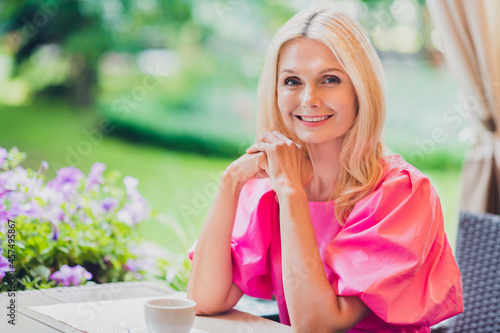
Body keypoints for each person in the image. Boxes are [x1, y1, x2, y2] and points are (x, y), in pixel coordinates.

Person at [186, 9, 463, 332]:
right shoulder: (268, 189)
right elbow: (204, 299)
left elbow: (317, 325)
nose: (309, 99)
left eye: (329, 79)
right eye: (292, 81)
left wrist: (292, 192)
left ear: (360, 89)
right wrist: (230, 183)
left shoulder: (403, 194)